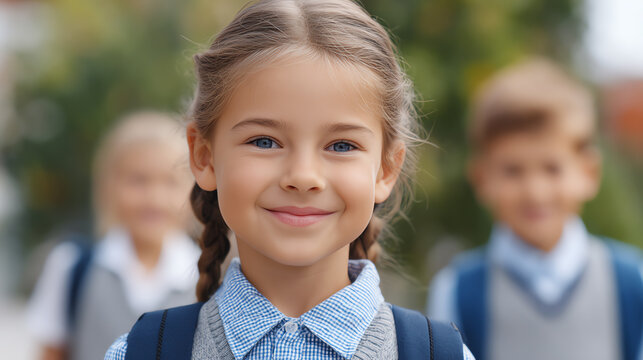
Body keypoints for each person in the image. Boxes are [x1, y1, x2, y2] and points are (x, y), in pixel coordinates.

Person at [105, 0, 475, 359]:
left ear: (386, 169)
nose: (303, 177)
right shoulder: (138, 352)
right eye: (264, 141)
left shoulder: (443, 354)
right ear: (204, 157)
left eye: (341, 145)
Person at [426, 58, 643, 360]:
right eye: (513, 171)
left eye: (552, 169)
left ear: (589, 174)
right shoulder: (457, 292)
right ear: (482, 178)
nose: (534, 192)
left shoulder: (633, 283)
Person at [26, 112, 201, 360]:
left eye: (170, 182)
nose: (154, 198)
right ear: (108, 184)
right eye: (138, 180)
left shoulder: (209, 277)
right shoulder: (70, 268)